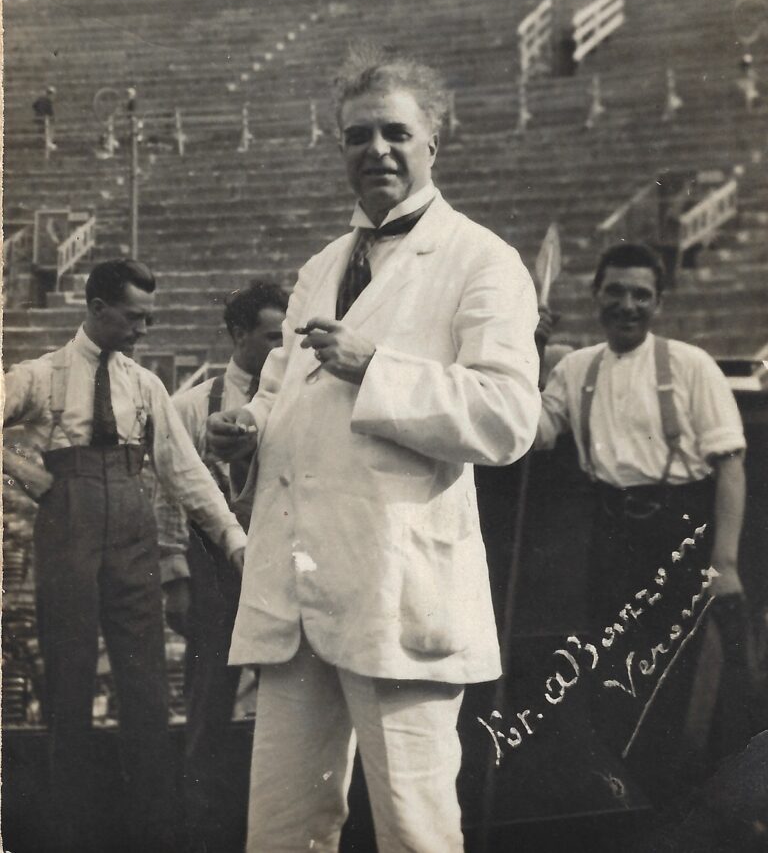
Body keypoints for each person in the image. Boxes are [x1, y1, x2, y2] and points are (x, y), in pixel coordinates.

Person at [207, 50, 541, 853]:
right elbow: (282, 395)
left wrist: (376, 368)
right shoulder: (321, 266)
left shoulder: (483, 260)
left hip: (398, 595)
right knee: (282, 831)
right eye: (358, 135)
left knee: (414, 829)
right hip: (297, 596)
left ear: (434, 142)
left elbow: (507, 418)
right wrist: (248, 428)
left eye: (396, 132)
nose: (377, 150)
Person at [3, 258, 248, 853]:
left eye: (149, 318)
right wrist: (21, 471)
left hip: (133, 532)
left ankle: (155, 832)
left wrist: (232, 539)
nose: (143, 329)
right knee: (69, 678)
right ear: (97, 308)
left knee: (146, 687)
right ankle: (70, 833)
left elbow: (184, 471)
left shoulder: (144, 384)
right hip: (68, 526)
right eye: (134, 317)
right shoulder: (41, 375)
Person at [536, 241, 746, 799]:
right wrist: (526, 352)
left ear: (658, 302)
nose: (627, 305)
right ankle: (629, 797)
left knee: (678, 676)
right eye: (615, 292)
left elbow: (730, 466)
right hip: (611, 535)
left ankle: (682, 797)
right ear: (596, 295)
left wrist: (724, 563)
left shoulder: (690, 365)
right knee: (614, 671)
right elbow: (533, 434)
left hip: (681, 533)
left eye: (640, 295)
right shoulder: (575, 369)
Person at [162, 281, 288, 853]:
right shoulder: (191, 406)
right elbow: (168, 494)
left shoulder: (294, 403)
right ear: (239, 335)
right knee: (209, 705)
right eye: (271, 337)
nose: (283, 347)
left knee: (287, 705)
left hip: (281, 567)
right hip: (214, 573)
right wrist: (176, 577)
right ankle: (202, 832)